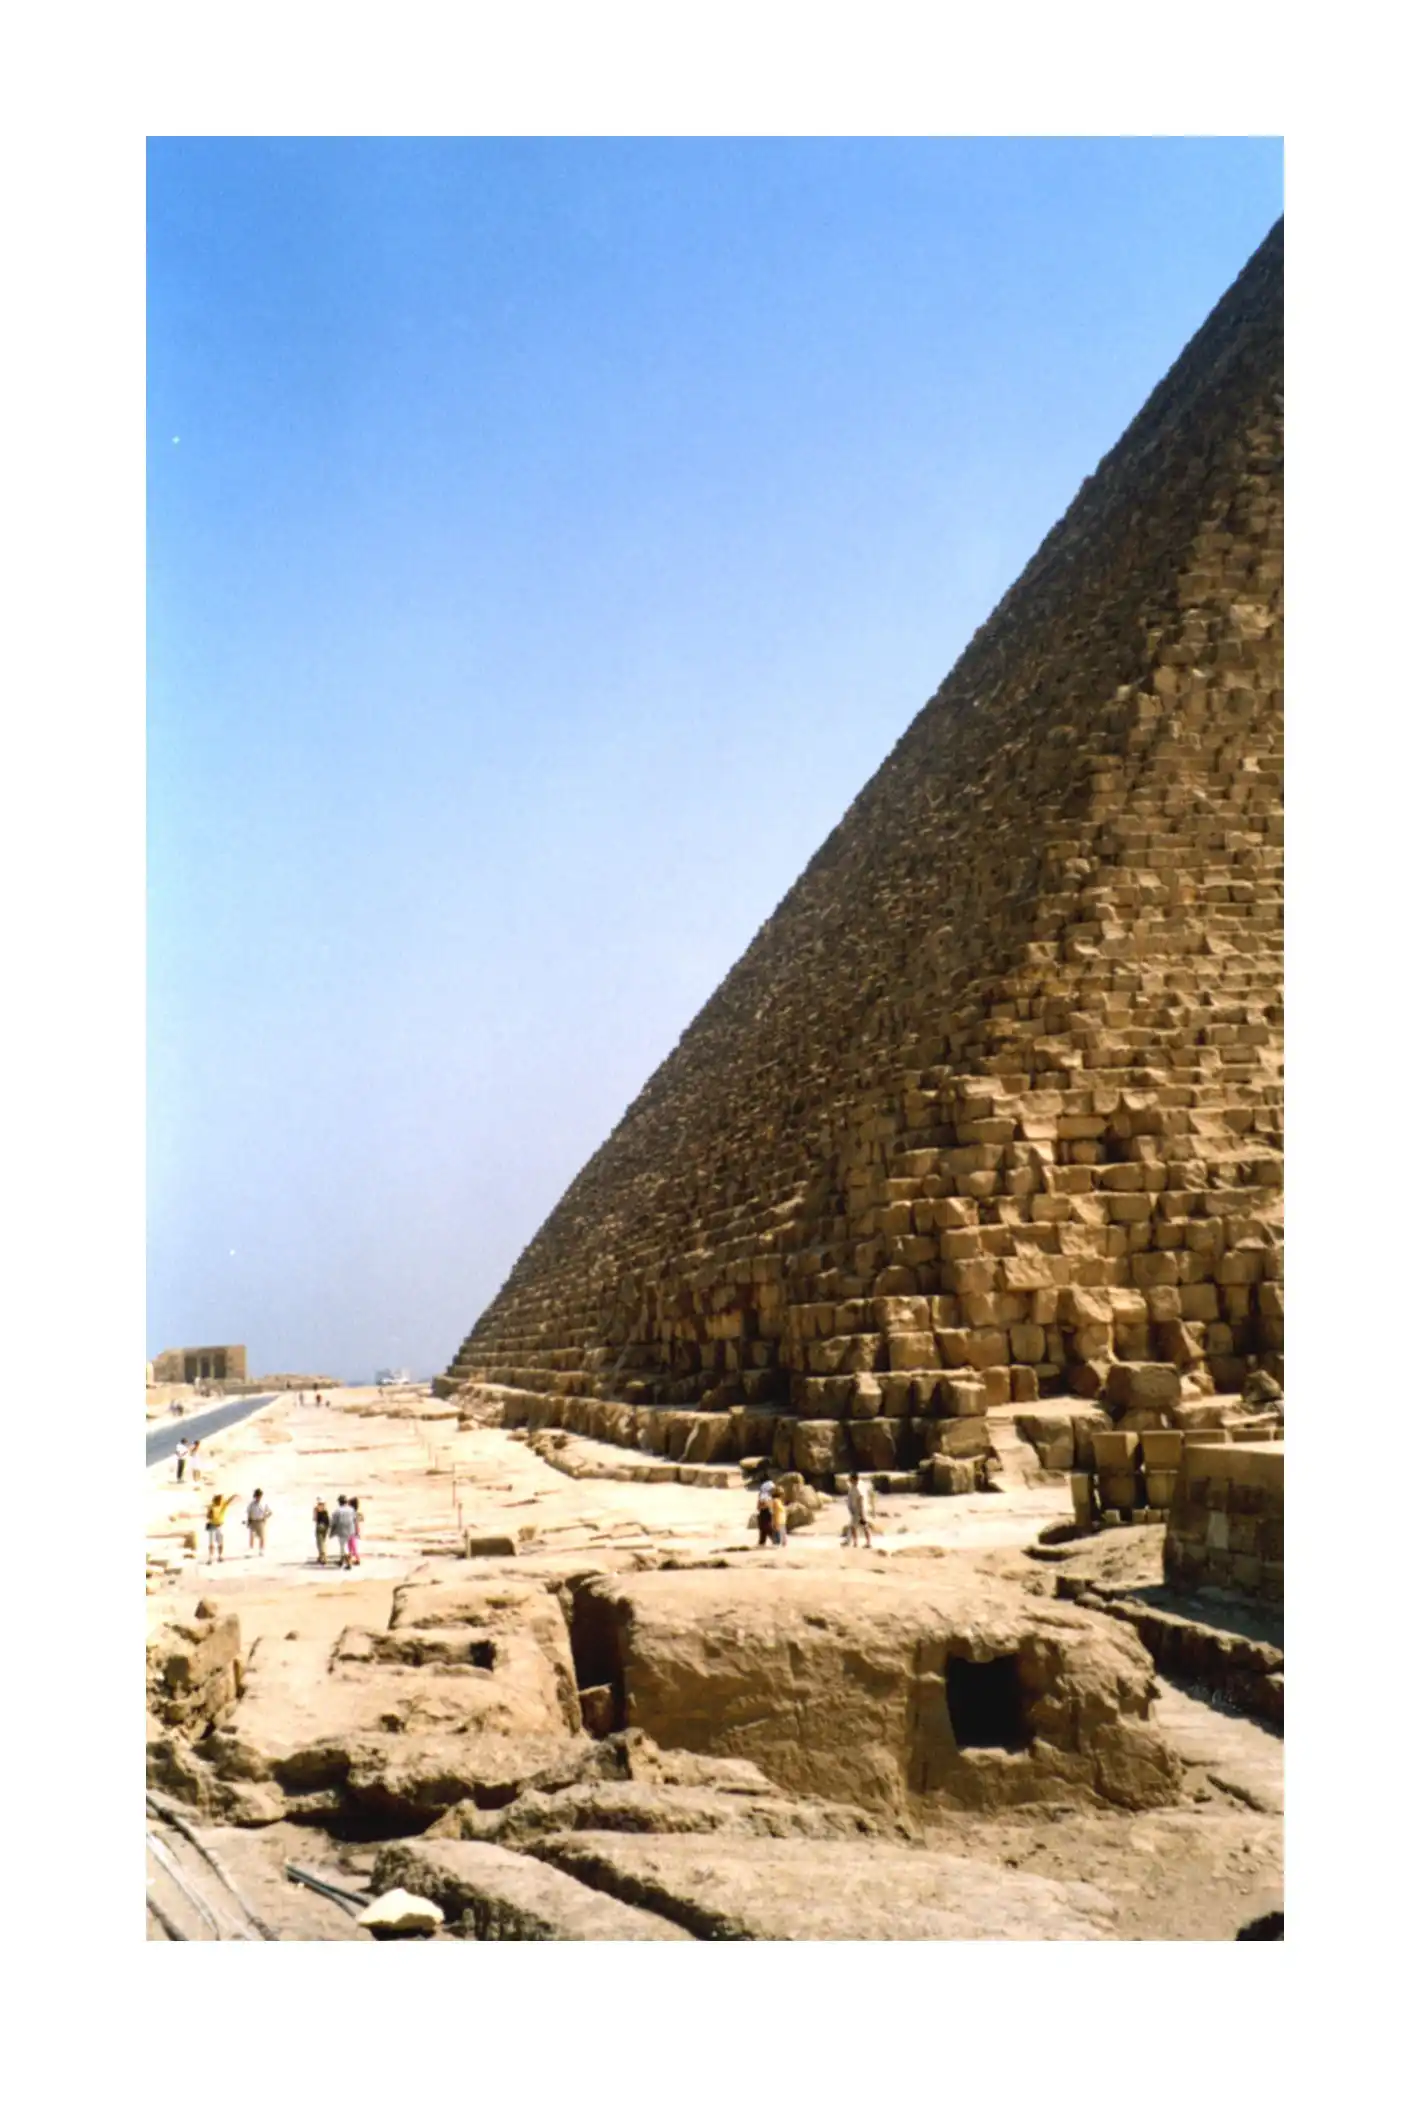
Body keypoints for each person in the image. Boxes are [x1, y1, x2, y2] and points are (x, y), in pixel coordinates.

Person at [845, 1472, 874, 1549]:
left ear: (854, 1479)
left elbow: (860, 1499)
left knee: (856, 1526)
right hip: (858, 1510)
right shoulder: (855, 1486)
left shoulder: (858, 1487)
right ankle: (865, 1542)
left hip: (859, 1511)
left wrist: (861, 1513)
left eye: (850, 1479)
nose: (849, 1480)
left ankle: (858, 1543)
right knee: (863, 1526)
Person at [205, 1492, 236, 1562]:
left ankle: (220, 1556)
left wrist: (234, 1496)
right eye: (219, 1499)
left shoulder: (223, 1504)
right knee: (211, 1543)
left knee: (220, 1542)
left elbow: (229, 1501)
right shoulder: (211, 1506)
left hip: (219, 1525)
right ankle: (210, 1557)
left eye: (221, 1499)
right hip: (212, 1525)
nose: (220, 1501)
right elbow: (208, 1516)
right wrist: (209, 1514)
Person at [330, 1494, 355, 1570]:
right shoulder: (351, 1509)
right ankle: (341, 1561)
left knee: (343, 1547)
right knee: (345, 1546)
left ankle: (348, 1563)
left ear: (340, 1502)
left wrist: (331, 1529)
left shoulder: (338, 1511)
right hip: (350, 1530)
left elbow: (333, 1521)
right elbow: (354, 1519)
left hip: (341, 1531)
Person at [246, 1488, 271, 1555]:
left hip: (260, 1521)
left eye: (259, 1496)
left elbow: (270, 1512)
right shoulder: (251, 1504)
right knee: (252, 1536)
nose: (258, 1497)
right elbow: (249, 1513)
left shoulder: (264, 1504)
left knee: (262, 1536)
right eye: (257, 1496)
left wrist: (265, 1517)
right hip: (253, 1521)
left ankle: (261, 1550)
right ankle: (251, 1550)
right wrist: (248, 1521)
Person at [756, 1477, 777, 1548]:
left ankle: (775, 1541)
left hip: (766, 1512)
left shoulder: (765, 1495)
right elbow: (761, 1505)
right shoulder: (765, 1495)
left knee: (766, 1527)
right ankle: (762, 1542)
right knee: (763, 1528)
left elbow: (762, 1505)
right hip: (765, 1512)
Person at [313, 1497, 331, 1566]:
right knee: (323, 1541)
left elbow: (315, 1518)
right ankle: (321, 1556)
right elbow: (328, 1518)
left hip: (319, 1526)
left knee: (319, 1542)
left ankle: (323, 1557)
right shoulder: (325, 1508)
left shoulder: (316, 1509)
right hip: (326, 1526)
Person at [348, 1496, 364, 1567]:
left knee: (353, 1547)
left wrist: (357, 1532)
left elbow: (356, 1523)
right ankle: (351, 1559)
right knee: (350, 1546)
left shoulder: (354, 1514)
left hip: (353, 1533)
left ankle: (358, 1559)